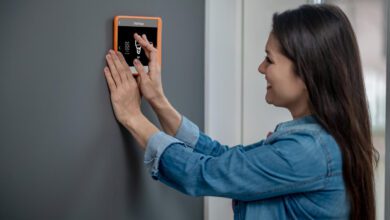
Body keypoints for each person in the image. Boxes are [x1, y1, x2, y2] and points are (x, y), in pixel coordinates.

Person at [103, 4, 378, 220]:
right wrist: (158, 101)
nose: (261, 68)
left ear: (307, 73)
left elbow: (203, 174)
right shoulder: (318, 141)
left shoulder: (307, 151)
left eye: (269, 59)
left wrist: (133, 118)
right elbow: (227, 161)